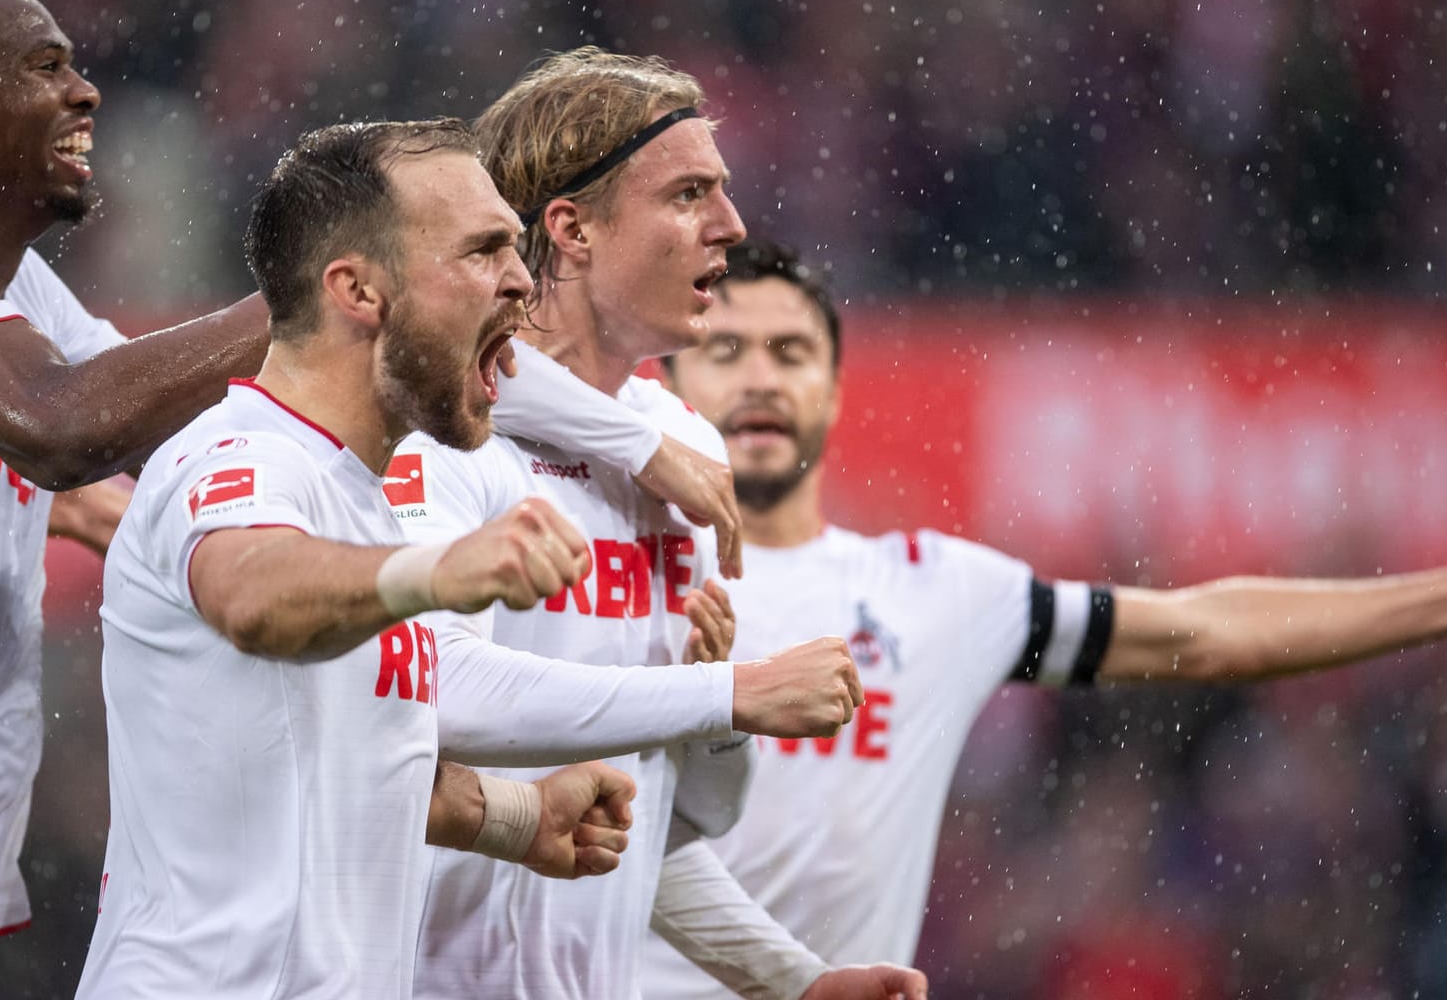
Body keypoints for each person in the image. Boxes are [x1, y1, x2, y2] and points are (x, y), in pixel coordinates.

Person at [75, 120, 878, 999]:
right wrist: (440, 576)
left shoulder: (367, 495)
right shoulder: (239, 457)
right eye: (483, 250)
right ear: (359, 291)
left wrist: (516, 818)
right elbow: (252, 594)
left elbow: (357, 765)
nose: (523, 279)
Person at [611, 240, 1447, 997]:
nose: (760, 377)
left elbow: (1204, 633)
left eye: (790, 352)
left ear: (832, 392)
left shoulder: (935, 591)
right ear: (672, 386)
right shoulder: (617, 575)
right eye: (726, 351)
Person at [398, 49, 928, 1000]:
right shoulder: (442, 440)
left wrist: (793, 981)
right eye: (688, 194)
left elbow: (662, 823)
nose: (730, 227)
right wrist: (732, 694)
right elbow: (434, 708)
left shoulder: (686, 445)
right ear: (571, 229)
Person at [0, 0, 276, 998]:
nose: (84, 92)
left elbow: (172, 429)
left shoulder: (18, 291)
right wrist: (319, 286)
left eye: (77, 64)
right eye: (42, 67)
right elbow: (62, 429)